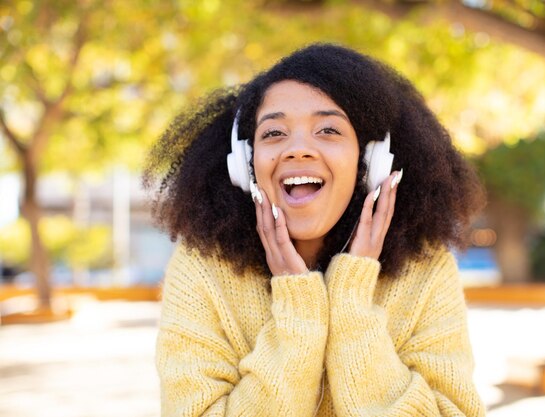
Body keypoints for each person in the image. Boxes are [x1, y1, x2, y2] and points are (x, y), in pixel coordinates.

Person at [143, 43, 486, 416]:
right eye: (274, 133)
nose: (298, 150)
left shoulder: (426, 270)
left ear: (370, 162)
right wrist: (298, 312)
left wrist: (351, 300)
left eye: (327, 129)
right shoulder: (202, 269)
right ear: (245, 164)